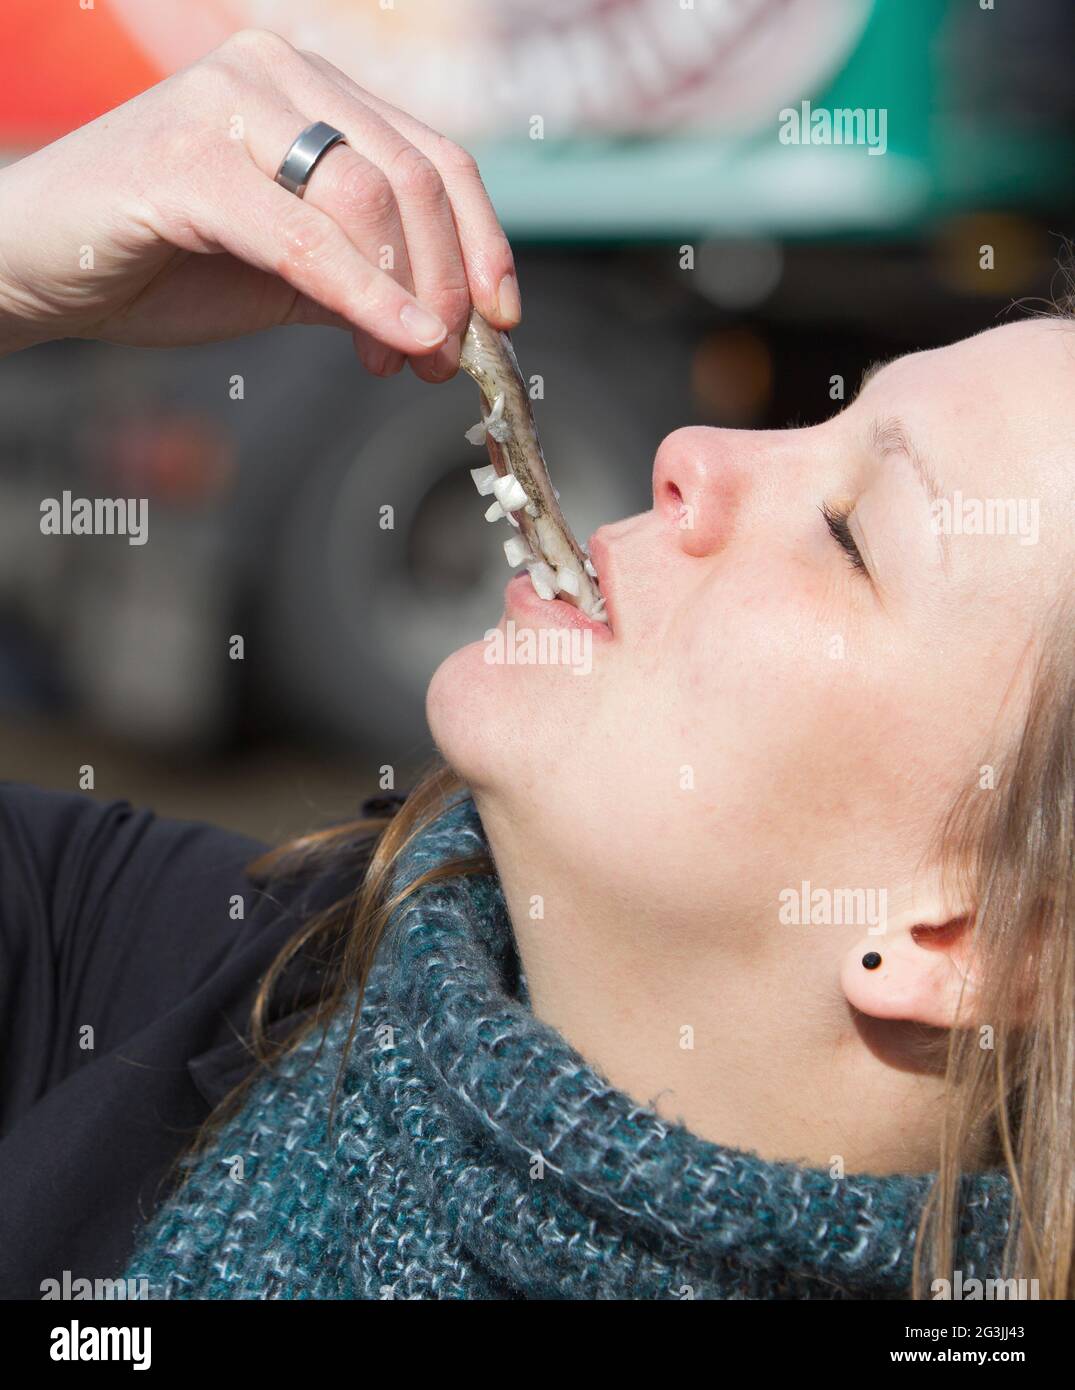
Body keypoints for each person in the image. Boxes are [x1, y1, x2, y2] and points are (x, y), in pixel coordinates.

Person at [0, 29, 1071, 1300]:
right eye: (814, 420)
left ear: (960, 938)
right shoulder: (168, 983)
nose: (692, 447)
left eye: (850, 534)